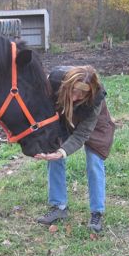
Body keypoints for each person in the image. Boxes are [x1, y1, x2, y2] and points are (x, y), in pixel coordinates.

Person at [34, 65, 115, 233]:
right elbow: (42, 112)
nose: (75, 97)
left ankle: (96, 212)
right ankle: (59, 207)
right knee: (53, 154)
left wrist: (65, 151)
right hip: (63, 116)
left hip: (95, 124)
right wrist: (45, 144)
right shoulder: (55, 80)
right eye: (73, 91)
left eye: (81, 94)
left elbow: (83, 133)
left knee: (94, 161)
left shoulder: (96, 96)